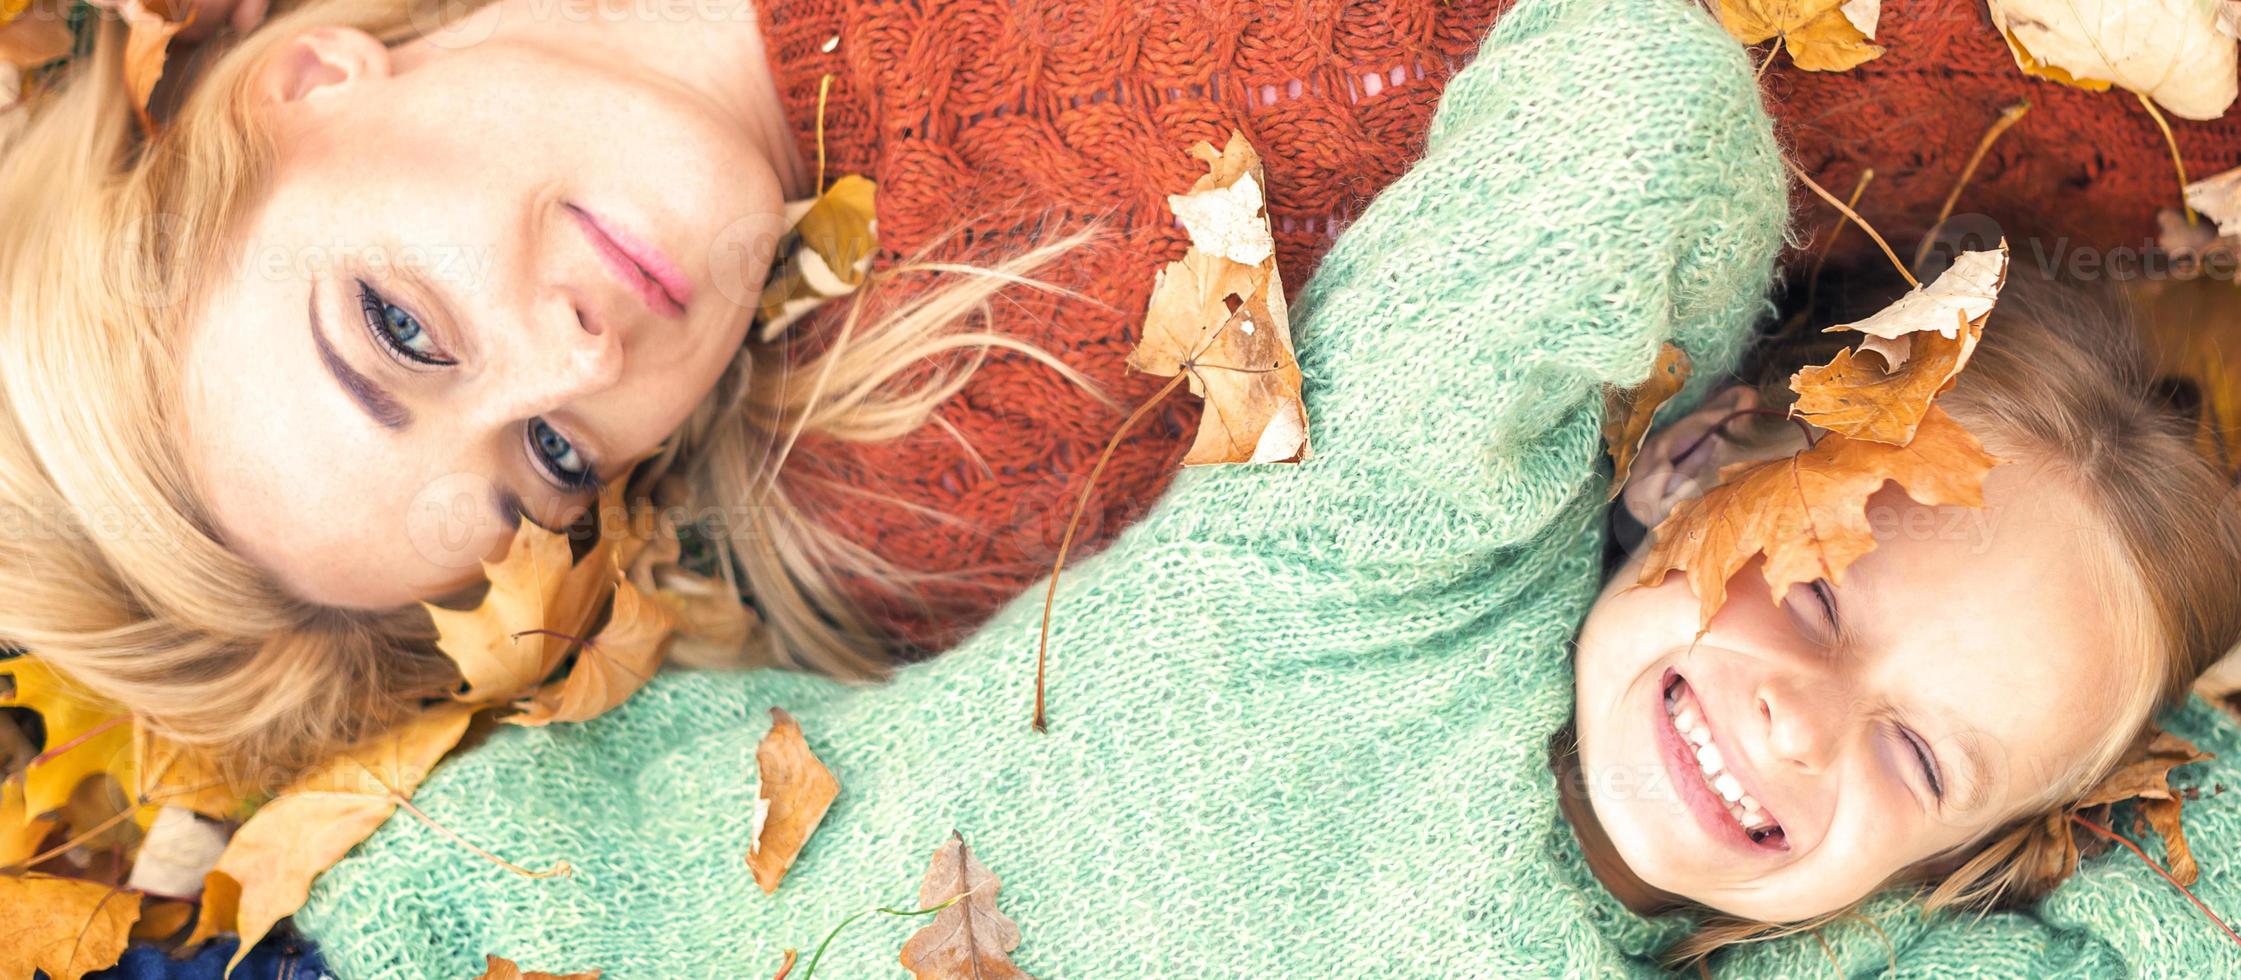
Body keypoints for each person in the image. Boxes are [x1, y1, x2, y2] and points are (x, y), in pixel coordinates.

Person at [282, 0, 2241, 973]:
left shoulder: (1839, 944)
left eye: (1916, 763)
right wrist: (1629, 422)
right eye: (1807, 588)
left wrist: (2088, 761)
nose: (1796, 718)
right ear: (1696, 461)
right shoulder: (1396, 556)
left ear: (1962, 859)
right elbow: (1630, 103)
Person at [0, 0, 1500, 774]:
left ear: (304, 86)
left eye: (401, 328)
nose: (580, 362)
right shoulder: (960, 437)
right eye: (548, 459)